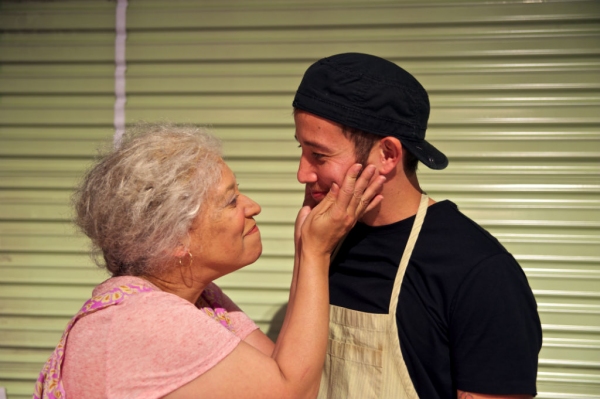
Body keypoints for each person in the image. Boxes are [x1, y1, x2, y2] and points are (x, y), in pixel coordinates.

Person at [33, 122, 385, 399]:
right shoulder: (143, 320)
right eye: (231, 201)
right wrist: (315, 252)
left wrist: (306, 247)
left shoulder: (200, 300)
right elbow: (292, 391)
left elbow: (282, 368)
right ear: (174, 239)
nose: (252, 207)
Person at [292, 53, 542, 399]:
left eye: (319, 155)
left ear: (388, 155)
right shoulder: (326, 239)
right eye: (301, 149)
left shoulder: (480, 273)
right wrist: (307, 254)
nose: (302, 173)